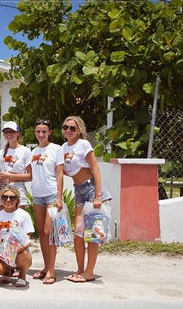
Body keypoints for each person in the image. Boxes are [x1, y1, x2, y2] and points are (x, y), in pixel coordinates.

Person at [59, 116, 111, 283]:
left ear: (79, 131)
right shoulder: (63, 148)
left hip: (91, 189)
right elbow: (68, 170)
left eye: (72, 128)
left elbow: (95, 169)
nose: (68, 130)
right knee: (78, 233)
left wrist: (98, 196)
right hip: (79, 190)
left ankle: (89, 272)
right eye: (66, 127)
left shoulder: (84, 144)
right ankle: (80, 269)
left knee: (92, 233)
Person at [29, 119, 64, 285]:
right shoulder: (33, 150)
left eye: (44, 131)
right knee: (42, 233)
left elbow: (59, 174)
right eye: (38, 131)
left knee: (49, 231)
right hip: (37, 196)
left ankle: (51, 270)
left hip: (51, 195)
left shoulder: (57, 149)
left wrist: (59, 197)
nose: (41, 134)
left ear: (50, 132)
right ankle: (45, 267)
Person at [0, 185, 34, 287]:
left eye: (12, 197)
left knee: (24, 256)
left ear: (17, 200)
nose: (8, 200)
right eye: (5, 197)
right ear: (1, 199)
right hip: (4, 250)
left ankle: (22, 274)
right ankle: (7, 270)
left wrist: (19, 249)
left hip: (20, 249)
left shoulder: (23, 215)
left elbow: (28, 237)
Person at [0, 121, 32, 209]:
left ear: (18, 133)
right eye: (6, 132)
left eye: (12, 131)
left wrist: (10, 176)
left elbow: (30, 176)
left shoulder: (25, 151)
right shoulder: (1, 152)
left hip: (18, 192)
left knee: (18, 222)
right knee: (3, 221)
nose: (9, 134)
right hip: (3, 192)